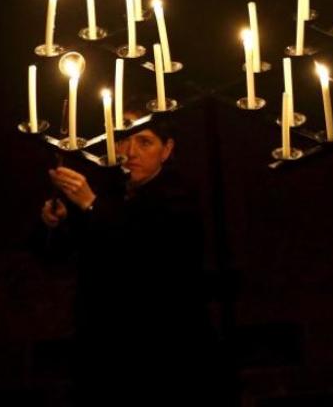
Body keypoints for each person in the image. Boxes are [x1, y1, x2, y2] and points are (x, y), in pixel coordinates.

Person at [40, 112, 212, 403]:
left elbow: (146, 258)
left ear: (167, 150)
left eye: (145, 142)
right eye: (122, 140)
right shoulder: (109, 189)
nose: (130, 152)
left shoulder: (179, 196)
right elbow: (59, 256)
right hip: (102, 349)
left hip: (161, 353)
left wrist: (91, 206)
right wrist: (56, 222)